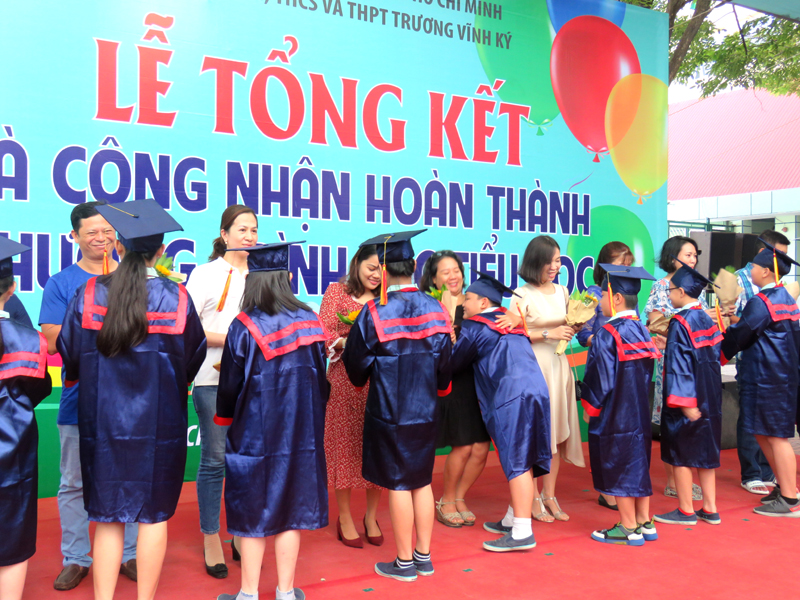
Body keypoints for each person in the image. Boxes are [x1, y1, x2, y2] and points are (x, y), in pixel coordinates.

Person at [57, 199, 207, 600]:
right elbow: (191, 358)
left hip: (102, 422)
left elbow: (70, 354)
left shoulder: (90, 292)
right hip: (160, 425)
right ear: (161, 251)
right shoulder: (177, 298)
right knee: (153, 516)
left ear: (118, 246)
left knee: (108, 517)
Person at [214, 242, 330, 600]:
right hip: (301, 433)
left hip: (255, 434)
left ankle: (248, 594)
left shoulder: (244, 326)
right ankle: (285, 592)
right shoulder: (311, 321)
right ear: (287, 278)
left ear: (252, 280)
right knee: (291, 509)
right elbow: (321, 380)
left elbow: (229, 386)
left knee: (253, 509)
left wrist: (225, 417)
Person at [38, 202, 140, 591]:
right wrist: (111, 333)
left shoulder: (136, 279)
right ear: (75, 236)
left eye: (107, 231)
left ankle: (130, 553)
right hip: (79, 397)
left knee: (130, 478)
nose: (101, 238)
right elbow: (51, 339)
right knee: (74, 482)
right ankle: (77, 557)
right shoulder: (62, 282)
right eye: (91, 232)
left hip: (131, 399)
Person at [342, 230, 452, 582]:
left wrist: (364, 375)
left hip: (390, 413)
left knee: (400, 484)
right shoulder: (437, 309)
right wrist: (437, 390)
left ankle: (404, 563)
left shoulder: (375, 311)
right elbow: (445, 368)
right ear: (415, 265)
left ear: (384, 270)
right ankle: (423, 556)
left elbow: (356, 366)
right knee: (423, 481)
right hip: (426, 412)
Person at [449, 271, 551, 552]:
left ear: (483, 302)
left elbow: (453, 364)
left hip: (511, 395)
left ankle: (522, 532)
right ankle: (512, 518)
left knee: (517, 460)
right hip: (537, 390)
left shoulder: (475, 326)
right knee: (526, 455)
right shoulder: (510, 321)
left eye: (468, 299)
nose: (464, 304)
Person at [185, 205, 258, 577]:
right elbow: (189, 327)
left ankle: (241, 531)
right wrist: (233, 340)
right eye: (242, 229)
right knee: (215, 459)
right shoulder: (205, 273)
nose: (249, 236)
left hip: (254, 382)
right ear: (224, 234)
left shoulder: (263, 276)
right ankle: (211, 534)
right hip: (211, 379)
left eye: (254, 230)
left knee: (247, 460)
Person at [507, 236, 585, 523]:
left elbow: (569, 324)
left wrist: (575, 326)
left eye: (558, 260)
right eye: (550, 261)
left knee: (556, 432)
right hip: (534, 369)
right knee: (538, 434)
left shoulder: (563, 291)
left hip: (559, 366)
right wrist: (547, 334)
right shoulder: (521, 293)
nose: (555, 266)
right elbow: (511, 333)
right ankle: (532, 498)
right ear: (536, 261)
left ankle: (549, 495)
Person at [581, 265, 661, 546]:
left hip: (615, 411)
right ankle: (644, 521)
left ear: (616, 298)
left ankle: (628, 527)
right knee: (638, 460)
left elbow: (600, 378)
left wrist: (590, 408)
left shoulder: (608, 333)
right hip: (638, 410)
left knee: (619, 462)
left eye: (603, 294)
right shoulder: (641, 330)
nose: (600, 300)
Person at [720, 240, 800, 517]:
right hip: (779, 374)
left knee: (776, 437)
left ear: (766, 271)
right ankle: (783, 488)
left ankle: (790, 497)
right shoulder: (786, 298)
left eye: (753, 266)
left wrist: (717, 352)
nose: (750, 270)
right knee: (764, 433)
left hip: (767, 377)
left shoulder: (763, 301)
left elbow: (742, 334)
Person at [419, 251, 490, 528]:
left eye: (456, 270)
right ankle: (446, 500)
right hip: (449, 381)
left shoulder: (473, 302)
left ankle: (459, 496)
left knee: (481, 447)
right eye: (445, 272)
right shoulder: (428, 306)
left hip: (476, 380)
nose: (453, 276)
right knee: (463, 445)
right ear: (434, 278)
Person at [319, 244, 384, 548]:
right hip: (344, 381)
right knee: (343, 448)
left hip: (378, 383)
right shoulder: (338, 292)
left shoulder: (387, 300)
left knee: (376, 448)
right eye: (371, 267)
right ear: (357, 264)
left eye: (382, 269)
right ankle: (344, 516)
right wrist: (352, 340)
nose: (377, 274)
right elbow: (324, 332)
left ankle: (371, 516)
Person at [0, 239, 53, 600]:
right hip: (11, 449)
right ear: (12, 289)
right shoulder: (29, 340)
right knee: (12, 537)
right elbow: (38, 389)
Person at [654, 260, 723, 526]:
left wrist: (684, 403)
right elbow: (712, 356)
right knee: (705, 452)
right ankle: (710, 508)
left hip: (687, 400)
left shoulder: (680, 322)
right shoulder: (705, 318)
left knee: (680, 452)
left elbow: (680, 367)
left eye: (671, 290)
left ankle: (685, 510)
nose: (669, 294)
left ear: (682, 292)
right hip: (709, 398)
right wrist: (668, 345)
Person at [645, 236, 708, 500]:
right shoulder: (661, 286)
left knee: (692, 421)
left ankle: (686, 477)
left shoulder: (696, 285)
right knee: (673, 421)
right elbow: (654, 322)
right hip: (671, 359)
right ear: (673, 258)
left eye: (695, 255)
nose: (693, 259)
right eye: (688, 254)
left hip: (696, 362)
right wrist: (685, 321)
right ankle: (673, 481)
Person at [730, 230, 790, 495]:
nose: (783, 262)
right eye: (780, 255)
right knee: (754, 420)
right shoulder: (736, 280)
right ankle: (755, 474)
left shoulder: (775, 290)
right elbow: (730, 319)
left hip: (772, 366)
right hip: (757, 362)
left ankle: (774, 478)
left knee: (771, 426)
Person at [576, 241, 634, 511]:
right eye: (621, 264)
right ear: (605, 265)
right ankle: (606, 489)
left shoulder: (627, 293)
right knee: (601, 428)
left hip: (626, 368)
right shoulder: (593, 293)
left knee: (622, 428)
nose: (626, 269)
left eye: (629, 265)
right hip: (601, 366)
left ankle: (621, 482)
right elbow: (583, 332)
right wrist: (604, 342)